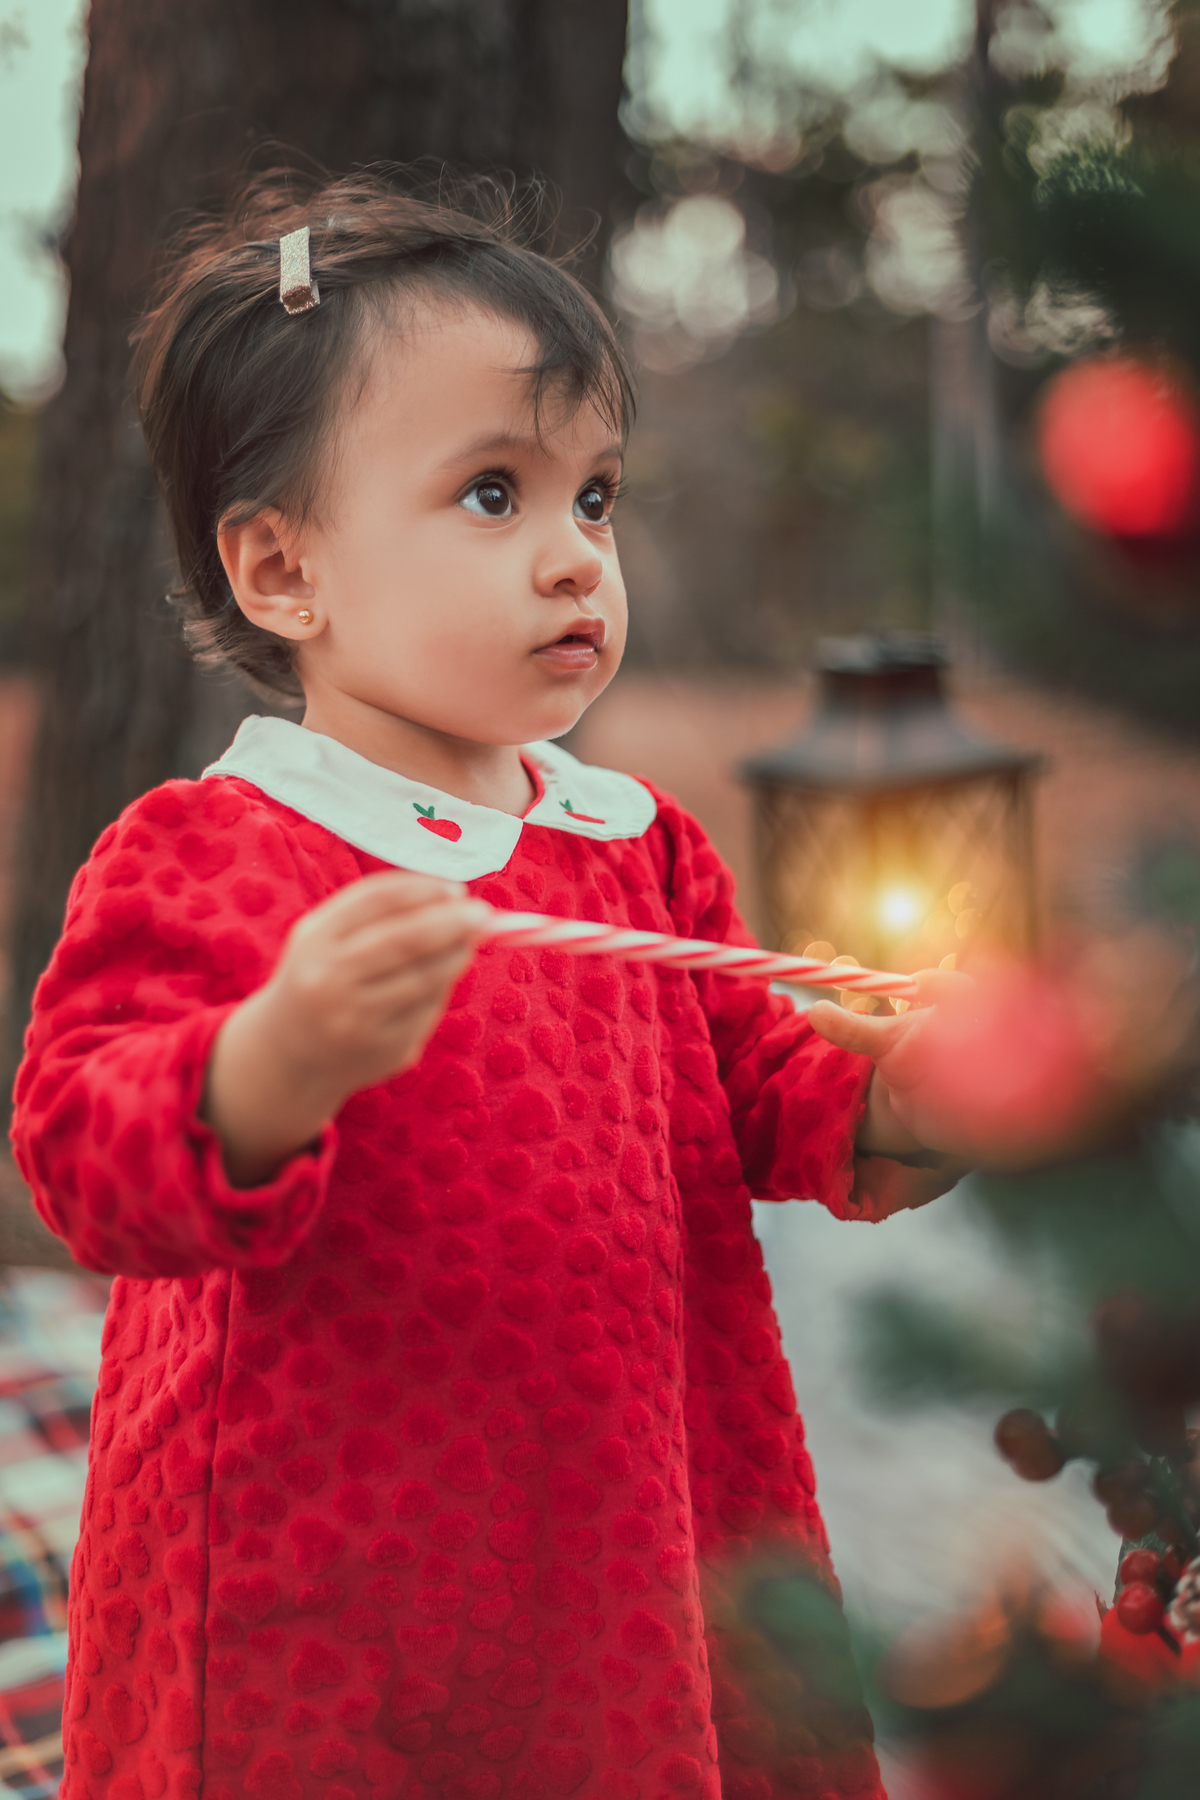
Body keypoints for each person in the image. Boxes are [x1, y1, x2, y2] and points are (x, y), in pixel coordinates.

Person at [12, 172, 969, 1800]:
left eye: (594, 498)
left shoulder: (629, 840)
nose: (573, 559)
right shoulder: (223, 846)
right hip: (329, 1562)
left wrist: (904, 1089)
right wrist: (268, 1063)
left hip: (631, 1517)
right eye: (491, 495)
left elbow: (761, 1085)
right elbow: (79, 1150)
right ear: (283, 571)